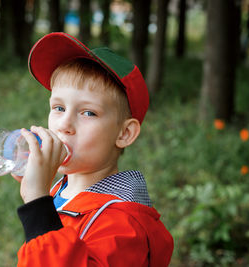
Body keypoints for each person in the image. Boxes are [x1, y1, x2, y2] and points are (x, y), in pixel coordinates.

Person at [12, 32, 173, 267]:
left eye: (88, 112)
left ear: (124, 133)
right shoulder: (60, 189)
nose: (64, 125)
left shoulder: (123, 224)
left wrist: (38, 204)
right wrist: (37, 189)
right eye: (58, 107)